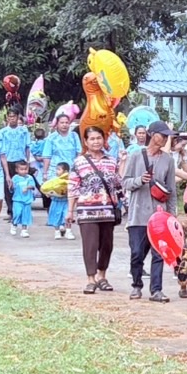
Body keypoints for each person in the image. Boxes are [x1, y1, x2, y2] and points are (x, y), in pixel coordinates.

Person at [123, 120, 178, 302]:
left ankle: (156, 289)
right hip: (138, 215)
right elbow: (125, 182)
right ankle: (136, 284)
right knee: (137, 253)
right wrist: (140, 180)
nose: (165, 139)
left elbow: (171, 190)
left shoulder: (168, 160)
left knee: (159, 253)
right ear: (152, 135)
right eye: (163, 135)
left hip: (159, 215)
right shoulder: (136, 156)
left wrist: (172, 215)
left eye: (167, 136)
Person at [69, 126, 122, 295]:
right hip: (87, 211)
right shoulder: (79, 162)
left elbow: (118, 184)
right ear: (85, 142)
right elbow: (72, 188)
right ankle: (90, 279)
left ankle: (102, 276)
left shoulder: (111, 161)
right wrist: (70, 211)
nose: (96, 142)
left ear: (104, 140)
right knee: (90, 246)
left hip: (108, 211)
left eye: (99, 138)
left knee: (107, 245)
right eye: (92, 139)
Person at [0, 110, 33, 198]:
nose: (12, 118)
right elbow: (2, 153)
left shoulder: (24, 131)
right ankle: (10, 206)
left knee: (22, 184)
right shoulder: (2, 132)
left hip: (21, 161)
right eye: (10, 116)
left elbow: (27, 147)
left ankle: (21, 202)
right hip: (8, 162)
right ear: (7, 118)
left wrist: (28, 161)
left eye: (14, 116)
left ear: (17, 117)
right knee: (9, 185)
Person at [9, 160, 39, 238]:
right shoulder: (15, 178)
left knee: (26, 215)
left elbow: (32, 186)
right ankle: (14, 224)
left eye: (25, 169)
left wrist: (27, 187)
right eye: (21, 169)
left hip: (27, 200)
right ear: (17, 170)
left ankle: (24, 230)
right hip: (17, 199)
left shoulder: (29, 177)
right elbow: (12, 188)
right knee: (17, 213)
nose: (24, 171)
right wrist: (11, 186)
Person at [46, 162, 72, 238]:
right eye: (56, 169)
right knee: (56, 217)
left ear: (66, 171)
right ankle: (57, 232)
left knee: (67, 216)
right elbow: (48, 188)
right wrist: (48, 193)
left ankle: (68, 231)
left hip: (66, 202)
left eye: (59, 169)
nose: (56, 171)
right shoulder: (54, 180)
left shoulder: (69, 180)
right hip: (56, 201)